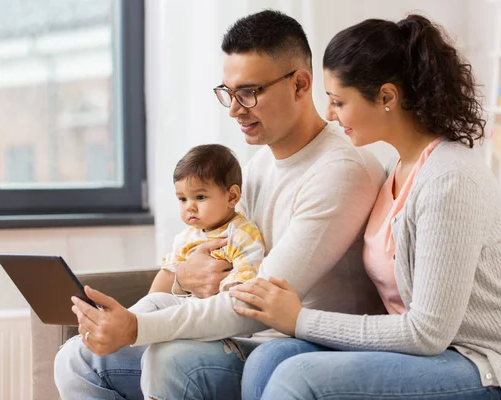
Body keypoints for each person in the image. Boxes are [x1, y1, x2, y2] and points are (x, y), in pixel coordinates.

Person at [54, 10, 386, 400]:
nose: (234, 109)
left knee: (172, 359)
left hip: (297, 349)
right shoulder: (260, 165)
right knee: (76, 358)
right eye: (228, 93)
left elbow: (253, 303)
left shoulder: (341, 169)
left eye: (248, 93)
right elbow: (220, 256)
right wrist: (180, 278)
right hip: (245, 338)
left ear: (300, 84)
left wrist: (135, 328)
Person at [229, 14, 501, 400]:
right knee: (271, 358)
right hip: (429, 356)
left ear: (386, 97)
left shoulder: (449, 178)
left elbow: (427, 332)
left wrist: (300, 319)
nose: (330, 114)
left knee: (299, 376)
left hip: (491, 363)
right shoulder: (395, 171)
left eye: (338, 101)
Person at [129, 144, 265, 315]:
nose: (190, 207)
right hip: (188, 305)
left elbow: (244, 282)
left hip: (220, 314)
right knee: (153, 302)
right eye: (182, 199)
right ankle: (127, 322)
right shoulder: (185, 237)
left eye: (200, 197)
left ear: (232, 197)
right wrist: (150, 303)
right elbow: (170, 273)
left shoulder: (241, 234)